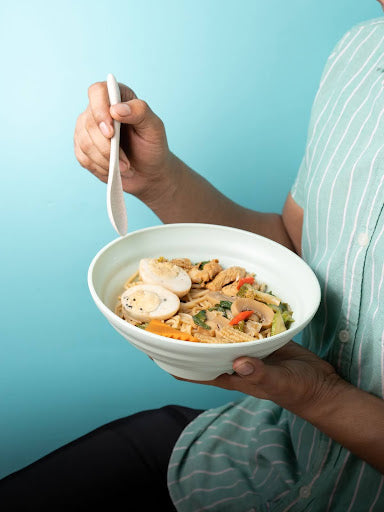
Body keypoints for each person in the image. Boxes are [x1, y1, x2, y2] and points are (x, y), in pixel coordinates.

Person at [1, 7, 384, 512]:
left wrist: (321, 397)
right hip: (248, 454)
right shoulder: (362, 50)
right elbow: (292, 251)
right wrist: (158, 180)